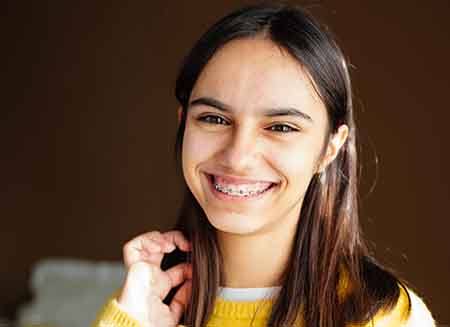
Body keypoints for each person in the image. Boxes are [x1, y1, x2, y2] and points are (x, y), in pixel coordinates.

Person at [92, 3, 435, 327]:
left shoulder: (384, 316)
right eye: (213, 118)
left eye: (281, 127)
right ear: (184, 124)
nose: (238, 157)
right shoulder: (142, 310)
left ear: (330, 147)